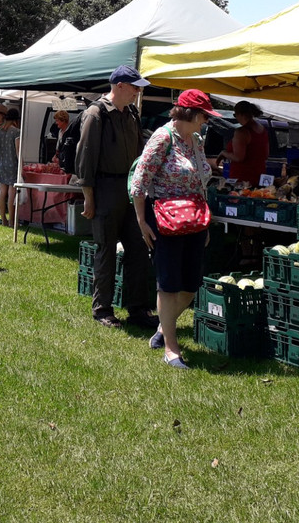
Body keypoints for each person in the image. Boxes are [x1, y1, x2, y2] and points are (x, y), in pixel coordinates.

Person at [130, 90, 219, 369]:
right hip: (165, 221)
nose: (206, 121)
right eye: (204, 115)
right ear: (190, 114)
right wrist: (142, 222)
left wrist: (205, 220)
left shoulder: (197, 140)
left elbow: (201, 181)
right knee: (168, 284)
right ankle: (171, 348)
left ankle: (162, 326)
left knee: (191, 286)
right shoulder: (162, 138)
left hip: (194, 219)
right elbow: (139, 183)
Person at [75, 65, 157, 330]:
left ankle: (138, 309)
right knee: (106, 249)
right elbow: (85, 158)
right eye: (135, 87)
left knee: (138, 249)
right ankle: (102, 310)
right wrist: (89, 196)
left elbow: (139, 153)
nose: (137, 92)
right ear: (120, 86)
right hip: (105, 188)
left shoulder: (132, 113)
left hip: (130, 189)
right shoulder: (95, 114)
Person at [216, 100, 269, 186]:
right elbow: (266, 155)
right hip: (259, 177)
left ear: (240, 114)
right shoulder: (263, 130)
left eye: (235, 115)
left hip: (241, 179)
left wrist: (224, 153)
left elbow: (238, 157)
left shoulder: (241, 132)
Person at [0, 108, 22, 226]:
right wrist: (22, 165)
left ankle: (3, 219)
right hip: (12, 164)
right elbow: (18, 151)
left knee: (2, 192)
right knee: (12, 194)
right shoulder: (16, 132)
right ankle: (12, 220)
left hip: (0, 164)